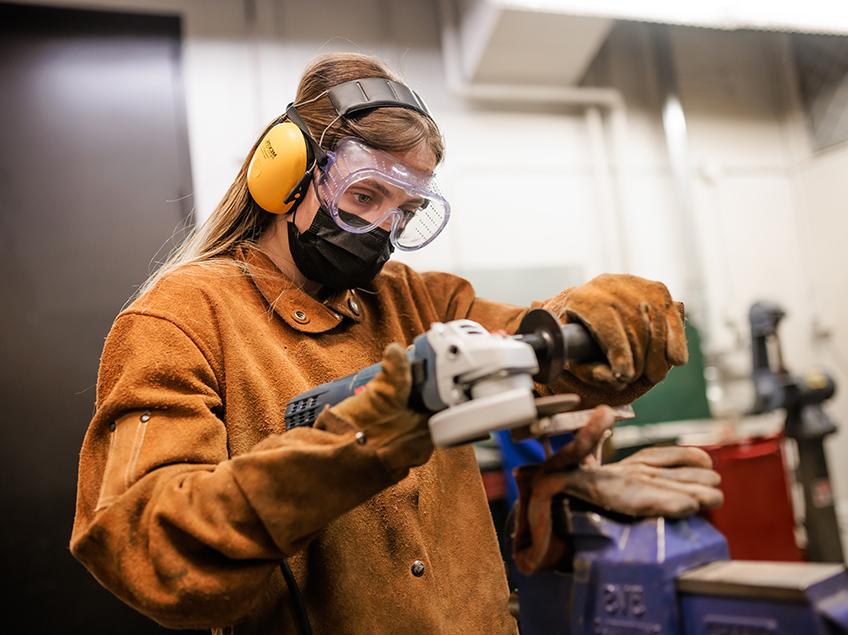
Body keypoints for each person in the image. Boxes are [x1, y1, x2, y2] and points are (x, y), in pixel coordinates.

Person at [70, 52, 722, 634]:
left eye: (405, 212)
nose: (382, 231)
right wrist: (363, 436)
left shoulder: (418, 300)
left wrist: (602, 319)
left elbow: (541, 344)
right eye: (364, 196)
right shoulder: (183, 315)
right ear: (284, 177)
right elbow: (148, 546)